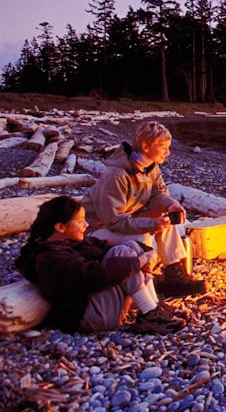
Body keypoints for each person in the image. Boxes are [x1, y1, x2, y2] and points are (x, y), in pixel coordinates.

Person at [15, 196, 185, 334]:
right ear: (60, 227)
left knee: (130, 247)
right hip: (89, 316)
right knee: (123, 255)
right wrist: (139, 261)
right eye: (80, 221)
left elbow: (104, 246)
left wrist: (147, 252)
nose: (86, 224)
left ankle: (153, 309)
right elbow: (96, 275)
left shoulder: (72, 242)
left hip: (99, 306)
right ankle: (150, 314)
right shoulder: (49, 258)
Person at [81, 120, 207, 297]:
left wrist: (170, 204)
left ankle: (173, 276)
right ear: (147, 146)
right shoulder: (116, 175)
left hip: (126, 218)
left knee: (169, 222)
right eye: (163, 147)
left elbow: (156, 193)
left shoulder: (151, 167)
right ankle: (144, 285)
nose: (168, 152)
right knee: (142, 236)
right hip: (96, 228)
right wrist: (151, 224)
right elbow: (113, 221)